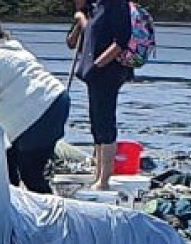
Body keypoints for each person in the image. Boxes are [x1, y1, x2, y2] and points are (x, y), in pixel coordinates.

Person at [0, 15, 70, 194]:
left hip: (37, 112)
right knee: (10, 158)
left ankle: (43, 207)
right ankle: (16, 194)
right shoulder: (15, 49)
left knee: (31, 174)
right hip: (58, 100)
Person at [70, 0, 133, 191]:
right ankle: (98, 174)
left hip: (109, 72)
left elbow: (121, 40)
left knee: (105, 121)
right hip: (94, 74)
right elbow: (75, 40)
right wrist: (80, 16)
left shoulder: (116, 4)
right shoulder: (94, 7)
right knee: (96, 121)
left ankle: (104, 179)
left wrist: (97, 66)